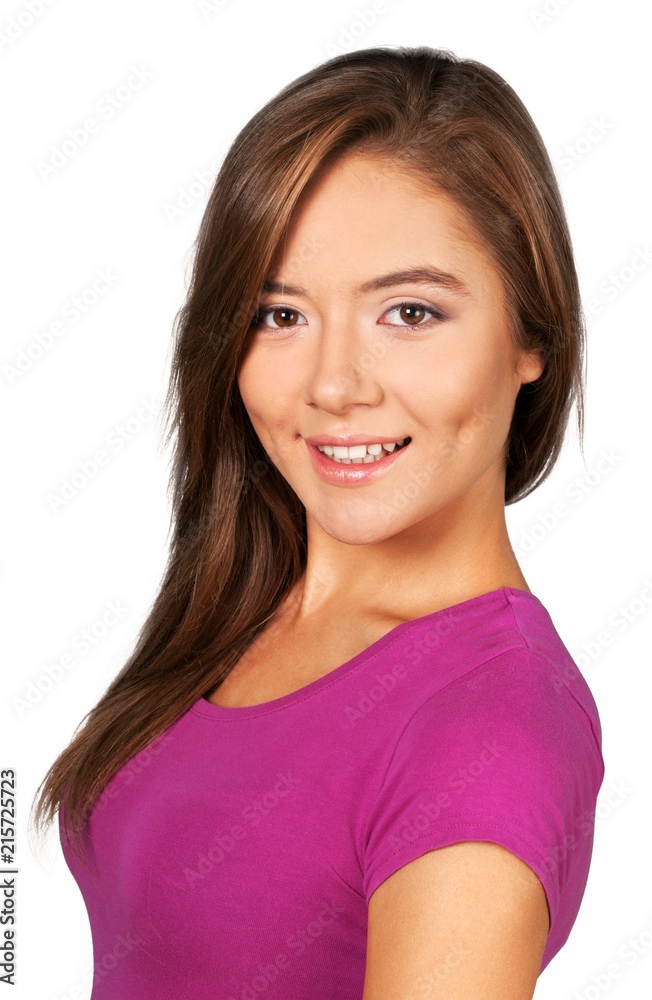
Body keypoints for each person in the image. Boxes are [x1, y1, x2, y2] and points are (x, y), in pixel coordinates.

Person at [33, 45, 604, 998]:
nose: (334, 385)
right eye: (280, 316)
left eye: (410, 312)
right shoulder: (252, 599)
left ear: (532, 336)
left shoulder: (484, 730)